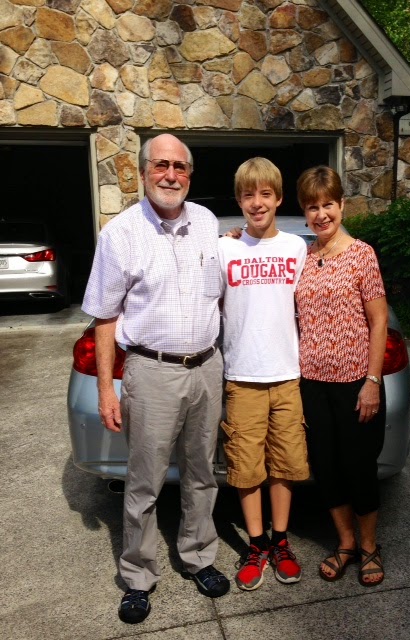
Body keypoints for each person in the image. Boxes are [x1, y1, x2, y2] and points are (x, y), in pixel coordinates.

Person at [82, 134, 229, 625]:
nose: (171, 175)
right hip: (151, 372)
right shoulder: (120, 234)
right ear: (143, 172)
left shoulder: (207, 223)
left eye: (180, 167)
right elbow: (105, 317)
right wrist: (106, 388)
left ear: (190, 174)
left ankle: (198, 556)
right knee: (144, 482)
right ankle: (139, 577)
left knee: (202, 473)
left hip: (206, 367)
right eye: (161, 165)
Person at [218, 157, 310, 591]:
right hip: (242, 377)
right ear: (239, 201)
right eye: (248, 195)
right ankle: (256, 545)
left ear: (278, 199)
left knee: (285, 465)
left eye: (265, 194)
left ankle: (281, 542)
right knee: (246, 466)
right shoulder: (224, 249)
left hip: (287, 375)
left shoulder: (296, 248)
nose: (257, 203)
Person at [295, 165, 388, 587]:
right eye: (312, 207)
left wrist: (373, 381)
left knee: (359, 467)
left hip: (355, 383)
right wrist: (237, 235)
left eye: (328, 204)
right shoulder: (302, 257)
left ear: (342, 205)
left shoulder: (361, 254)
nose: (321, 214)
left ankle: (369, 546)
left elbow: (379, 321)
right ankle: (346, 543)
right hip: (312, 383)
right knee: (326, 468)